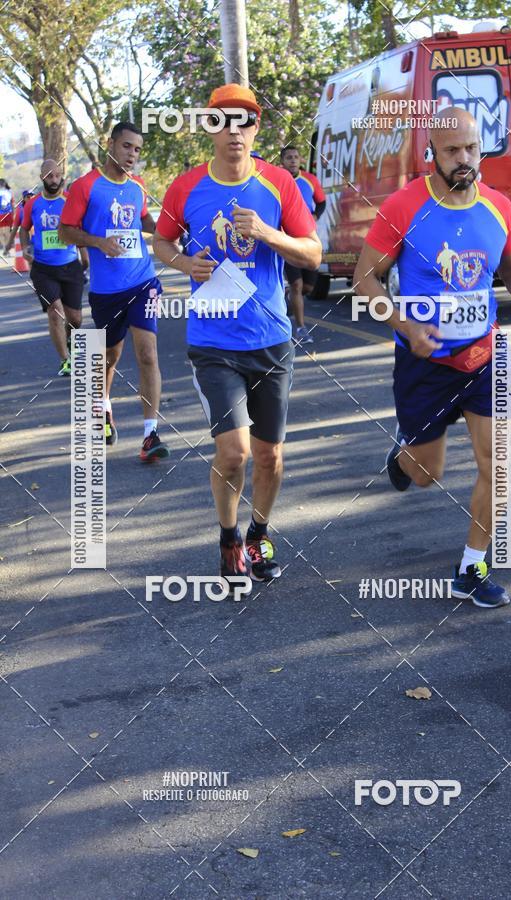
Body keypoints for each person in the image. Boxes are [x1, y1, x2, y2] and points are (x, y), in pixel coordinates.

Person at [353, 107, 511, 609]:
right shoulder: (404, 206)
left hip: (485, 356)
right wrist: (404, 326)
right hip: (424, 363)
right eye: (452, 151)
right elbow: (365, 278)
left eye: (471, 148)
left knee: (501, 462)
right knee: (427, 475)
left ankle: (472, 568)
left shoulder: (498, 207)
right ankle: (403, 455)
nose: (463, 159)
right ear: (433, 153)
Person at [153, 84, 321, 591]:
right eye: (223, 121)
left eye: (244, 122)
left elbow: (313, 254)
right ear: (209, 127)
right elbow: (162, 240)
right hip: (214, 342)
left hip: (271, 339)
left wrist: (270, 234)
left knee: (270, 455)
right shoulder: (186, 188)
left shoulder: (279, 185)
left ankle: (259, 533)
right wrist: (185, 263)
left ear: (256, 129)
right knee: (234, 453)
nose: (234, 132)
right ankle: (228, 535)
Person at [59, 121, 169, 462]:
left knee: (147, 352)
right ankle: (104, 408)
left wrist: (172, 224)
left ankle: (150, 434)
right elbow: (65, 232)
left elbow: (144, 222)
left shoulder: (137, 187)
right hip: (107, 291)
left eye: (137, 150)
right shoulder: (86, 187)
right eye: (126, 147)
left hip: (143, 281)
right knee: (109, 357)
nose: (132, 155)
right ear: (110, 145)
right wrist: (97, 242)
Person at [20, 162, 86, 375]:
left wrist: (85, 257)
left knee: (75, 319)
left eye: (57, 175)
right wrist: (25, 248)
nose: (54, 180)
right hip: (43, 268)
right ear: (42, 177)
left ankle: (70, 340)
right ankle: (66, 361)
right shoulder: (33, 204)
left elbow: (79, 230)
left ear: (62, 177)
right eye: (49, 176)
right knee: (55, 312)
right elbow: (24, 229)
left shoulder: (69, 201)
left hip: (70, 266)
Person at [279, 145, 326, 343]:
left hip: (308, 239)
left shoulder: (310, 180)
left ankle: (288, 296)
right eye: (289, 157)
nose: (293, 160)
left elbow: (321, 202)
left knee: (307, 287)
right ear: (282, 161)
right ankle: (300, 328)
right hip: (287, 240)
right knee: (297, 284)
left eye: (296, 157)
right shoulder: (278, 180)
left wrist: (315, 215)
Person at [0, 178, 13, 249]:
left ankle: (7, 247)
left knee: (7, 232)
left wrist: (13, 214)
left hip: (7, 214)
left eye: (2, 183)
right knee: (1, 232)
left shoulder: (9, 192)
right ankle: (4, 246)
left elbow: (12, 203)